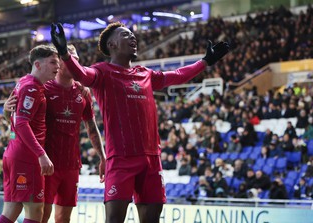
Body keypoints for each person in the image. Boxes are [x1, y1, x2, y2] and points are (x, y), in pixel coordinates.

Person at [51, 22, 229, 223]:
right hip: (120, 159)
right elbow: (81, 74)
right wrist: (64, 53)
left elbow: (178, 76)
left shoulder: (145, 74)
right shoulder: (101, 73)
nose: (133, 37)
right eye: (126, 35)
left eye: (133, 35)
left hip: (152, 160)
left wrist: (205, 62)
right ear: (112, 45)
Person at [4, 45, 106, 223]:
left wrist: (103, 156)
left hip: (71, 163)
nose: (76, 65)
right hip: (46, 162)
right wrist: (6, 110)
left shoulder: (83, 93)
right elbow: (19, 119)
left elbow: (91, 125)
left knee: (62, 217)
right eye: (70, 60)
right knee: (40, 214)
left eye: (78, 61)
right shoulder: (43, 87)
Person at [0, 45, 59, 223]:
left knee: (11, 210)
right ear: (37, 65)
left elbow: (12, 114)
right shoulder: (32, 88)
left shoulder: (23, 81)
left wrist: (5, 111)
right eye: (53, 62)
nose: (58, 67)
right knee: (35, 210)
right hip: (26, 156)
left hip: (14, 152)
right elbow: (22, 122)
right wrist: (41, 154)